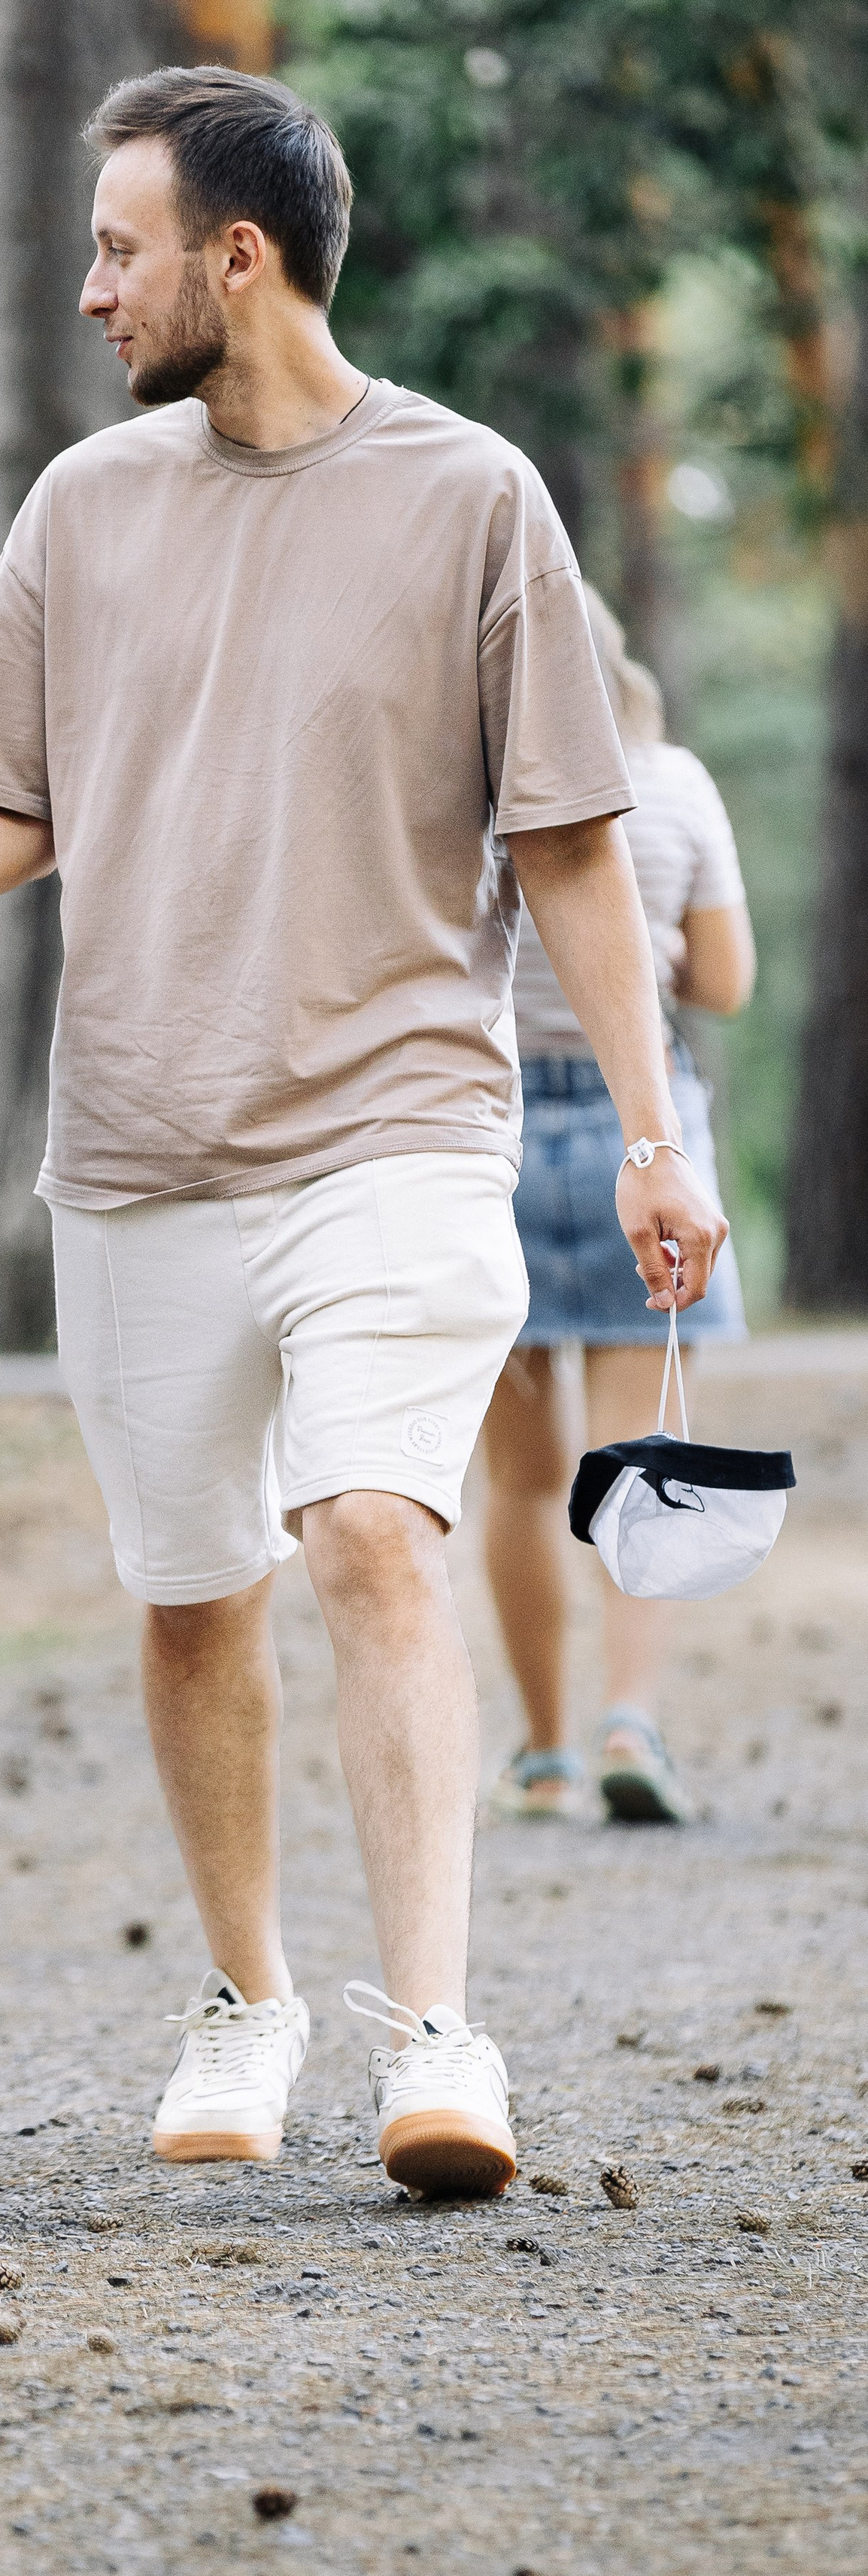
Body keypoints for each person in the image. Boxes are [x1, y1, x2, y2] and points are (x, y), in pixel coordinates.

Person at [0, 66, 728, 2203]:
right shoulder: (87, 508)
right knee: (195, 1592)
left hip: (400, 1125)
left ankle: (440, 2037)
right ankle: (249, 1999)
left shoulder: (476, 497)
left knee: (372, 1536)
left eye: (120, 246)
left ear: (242, 255)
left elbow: (576, 853)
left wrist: (659, 1139)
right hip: (138, 1148)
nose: (88, 286)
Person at [480, 593, 754, 1827]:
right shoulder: (674, 783)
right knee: (642, 1463)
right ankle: (630, 1723)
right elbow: (729, 983)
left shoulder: (476, 792)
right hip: (645, 1134)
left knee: (525, 1484)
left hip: (493, 1138)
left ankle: (541, 1753)